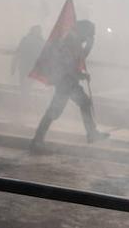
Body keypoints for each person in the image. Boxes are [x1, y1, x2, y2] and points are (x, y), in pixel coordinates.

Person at [30, 19, 108, 148]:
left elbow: (78, 59)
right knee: (54, 112)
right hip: (65, 82)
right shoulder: (69, 41)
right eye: (90, 34)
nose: (89, 37)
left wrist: (89, 47)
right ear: (83, 31)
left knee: (83, 103)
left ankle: (91, 133)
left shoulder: (74, 41)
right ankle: (37, 140)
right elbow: (68, 65)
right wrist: (80, 74)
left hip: (69, 82)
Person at [12, 23, 45, 103]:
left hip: (27, 67)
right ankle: (25, 102)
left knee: (24, 86)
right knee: (27, 86)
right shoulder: (41, 41)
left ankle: (23, 102)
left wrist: (13, 66)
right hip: (30, 67)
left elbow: (18, 53)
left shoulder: (26, 39)